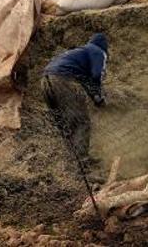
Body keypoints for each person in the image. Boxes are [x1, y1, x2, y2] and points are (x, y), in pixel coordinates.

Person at [41, 33, 108, 163]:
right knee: (81, 121)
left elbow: (85, 81)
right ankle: (81, 161)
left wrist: (94, 97)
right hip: (61, 80)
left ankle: (70, 161)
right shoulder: (98, 51)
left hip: (45, 80)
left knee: (64, 123)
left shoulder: (78, 53)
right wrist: (100, 97)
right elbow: (96, 75)